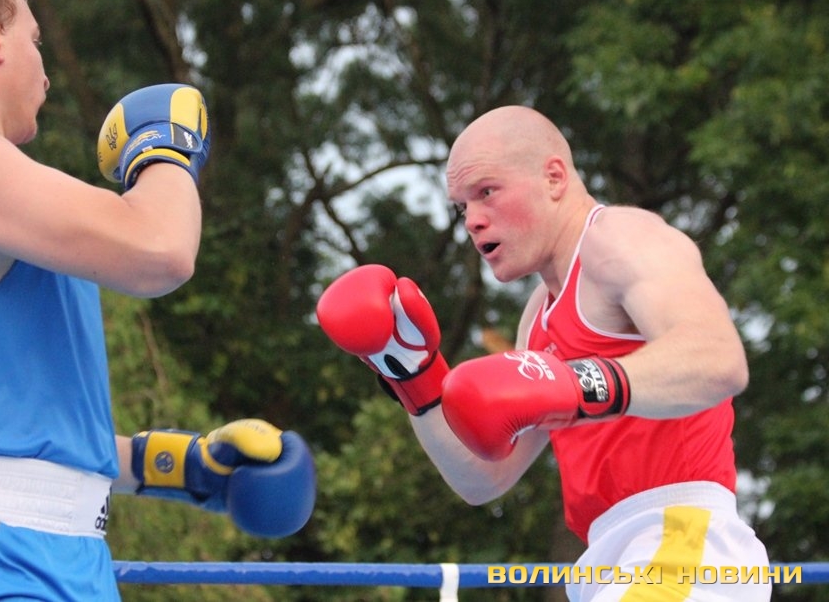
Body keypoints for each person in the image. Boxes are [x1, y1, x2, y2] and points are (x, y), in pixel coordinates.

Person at [0, 0, 315, 601]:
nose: (45, 73)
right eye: (35, 41)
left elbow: (24, 440)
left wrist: (185, 467)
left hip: (49, 554)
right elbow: (160, 251)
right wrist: (165, 149)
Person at [317, 105, 770, 600]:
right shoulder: (538, 316)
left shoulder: (619, 238)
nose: (473, 220)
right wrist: (412, 375)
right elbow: (484, 480)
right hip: (607, 558)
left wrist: (575, 383)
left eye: (486, 192)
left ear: (554, 177)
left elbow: (718, 358)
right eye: (462, 207)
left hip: (683, 542)